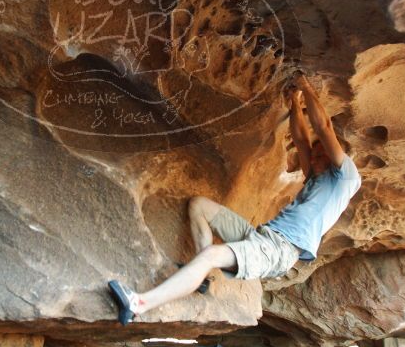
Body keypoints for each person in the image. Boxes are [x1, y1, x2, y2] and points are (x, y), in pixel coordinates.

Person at [108, 71, 362, 325]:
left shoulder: (346, 177)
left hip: (280, 250)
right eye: (314, 155)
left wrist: (305, 85)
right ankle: (200, 277)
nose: (313, 158)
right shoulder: (317, 177)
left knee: (211, 255)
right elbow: (302, 139)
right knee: (199, 206)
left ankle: (139, 304)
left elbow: (323, 127)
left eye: (321, 155)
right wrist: (294, 101)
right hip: (261, 236)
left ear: (335, 157)